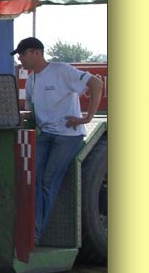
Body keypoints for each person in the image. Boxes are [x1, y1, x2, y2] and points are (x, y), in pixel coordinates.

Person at [12, 36, 103, 243]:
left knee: (47, 180)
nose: (20, 59)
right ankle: (29, 229)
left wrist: (87, 117)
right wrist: (15, 116)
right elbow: (31, 113)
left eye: (22, 54)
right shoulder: (31, 80)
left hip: (68, 135)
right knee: (31, 178)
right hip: (46, 134)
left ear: (36, 53)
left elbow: (96, 84)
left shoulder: (62, 70)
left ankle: (35, 234)